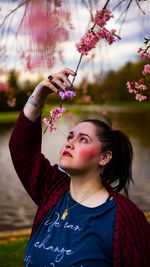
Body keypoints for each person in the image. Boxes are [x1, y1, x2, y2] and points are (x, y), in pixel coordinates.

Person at [9, 68, 150, 267]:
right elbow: (21, 147)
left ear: (104, 157)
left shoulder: (126, 218)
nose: (69, 143)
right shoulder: (52, 190)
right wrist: (39, 93)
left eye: (83, 139)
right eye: (69, 137)